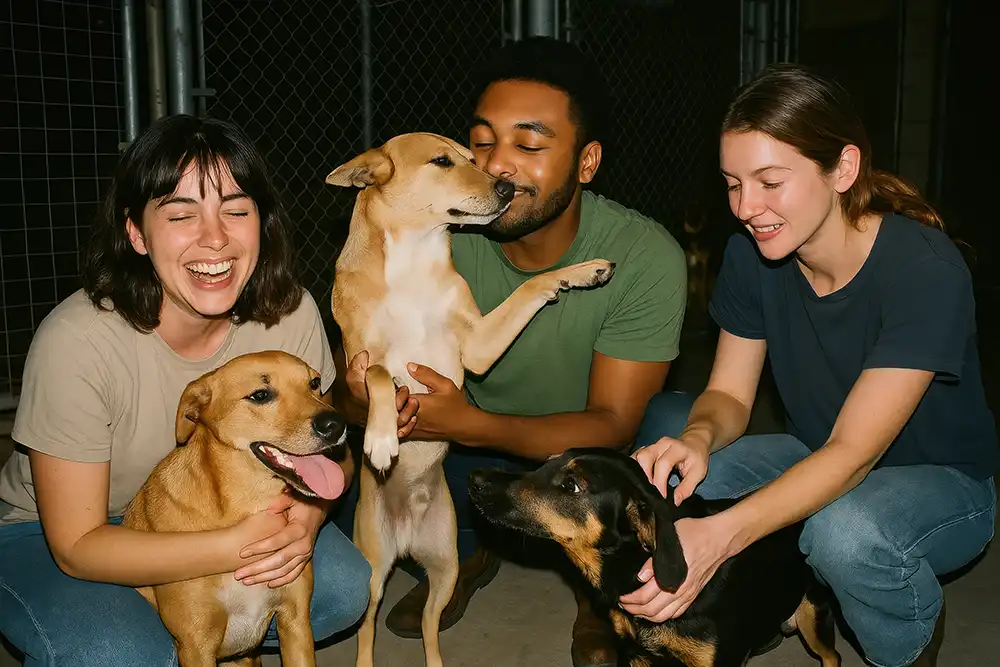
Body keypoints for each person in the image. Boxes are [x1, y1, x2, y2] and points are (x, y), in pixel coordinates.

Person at [330, 37, 688, 667]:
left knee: (670, 427)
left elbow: (615, 423)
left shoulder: (642, 253)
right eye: (483, 144)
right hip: (460, 454)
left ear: (586, 161)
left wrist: (470, 421)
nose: (495, 167)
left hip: (569, 449)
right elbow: (345, 388)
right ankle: (472, 551)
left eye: (529, 144)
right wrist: (366, 399)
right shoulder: (438, 227)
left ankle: (601, 587)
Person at [625, 63, 998, 667]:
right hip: (815, 451)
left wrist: (721, 536)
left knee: (844, 534)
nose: (747, 207)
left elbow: (854, 454)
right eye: (733, 183)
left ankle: (910, 630)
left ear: (843, 169)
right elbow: (729, 396)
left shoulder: (925, 270)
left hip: (943, 484)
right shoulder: (752, 254)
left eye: (771, 181)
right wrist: (697, 437)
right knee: (671, 474)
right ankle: (763, 605)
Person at [0, 115, 372, 667]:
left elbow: (325, 448)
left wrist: (304, 522)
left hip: (232, 508)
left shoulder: (287, 313)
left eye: (236, 210)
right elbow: (77, 545)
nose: (215, 238)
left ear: (260, 222)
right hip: (63, 534)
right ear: (136, 233)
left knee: (342, 591)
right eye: (180, 214)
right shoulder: (76, 341)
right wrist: (237, 550)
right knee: (115, 651)